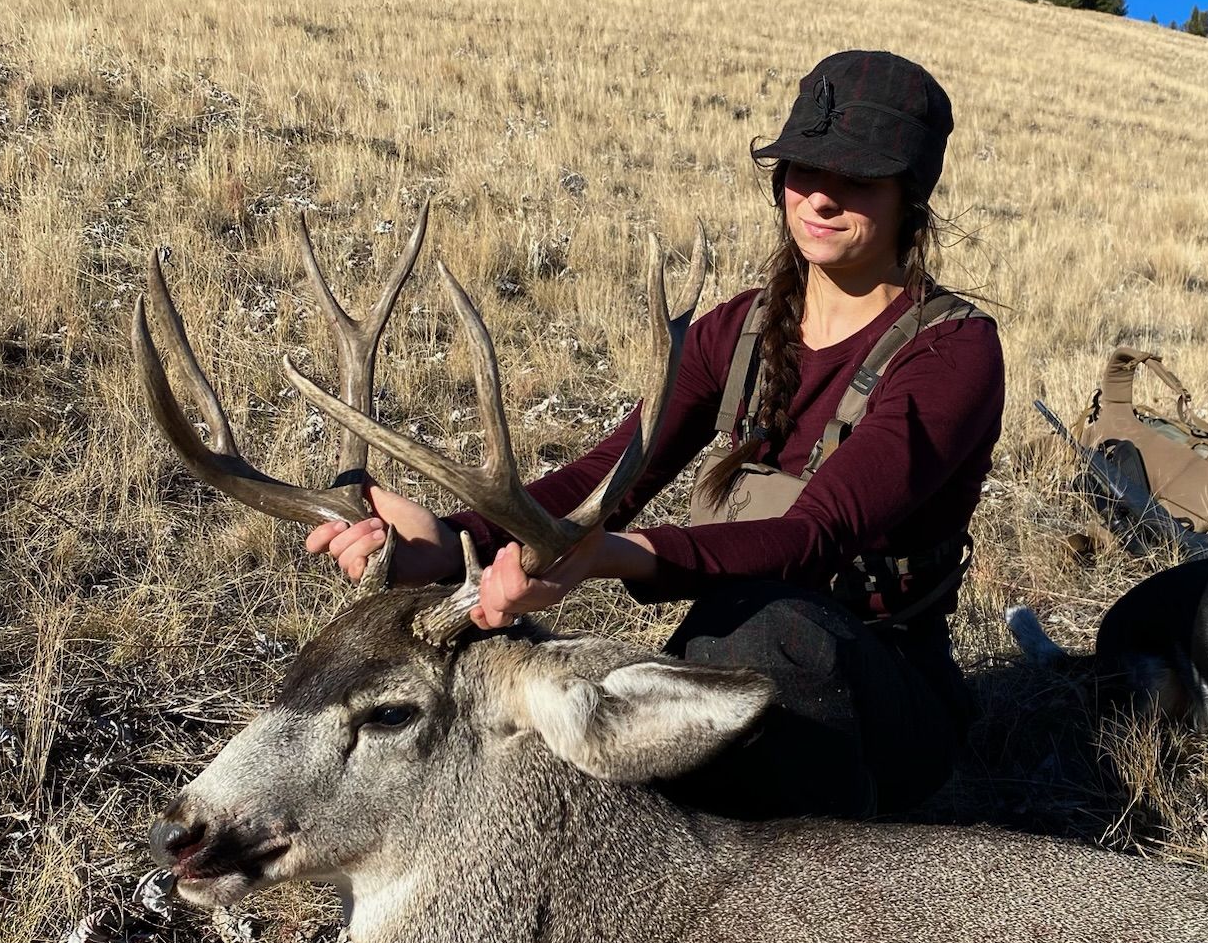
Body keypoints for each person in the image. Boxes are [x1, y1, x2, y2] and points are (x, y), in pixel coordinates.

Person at [309, 50, 1006, 820]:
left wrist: (614, 557)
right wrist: (450, 544)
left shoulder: (952, 353)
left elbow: (818, 534)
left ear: (912, 197)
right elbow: (610, 475)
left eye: (857, 179)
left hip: (884, 690)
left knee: (763, 630)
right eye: (803, 168)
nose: (820, 196)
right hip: (733, 644)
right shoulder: (739, 329)